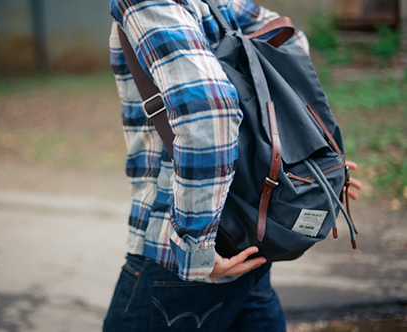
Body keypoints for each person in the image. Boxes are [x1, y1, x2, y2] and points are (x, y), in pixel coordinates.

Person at [104, 0, 360, 331]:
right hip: (248, 237)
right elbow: (288, 38)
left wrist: (196, 248)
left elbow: (211, 113)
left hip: (182, 250)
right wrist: (308, 165)